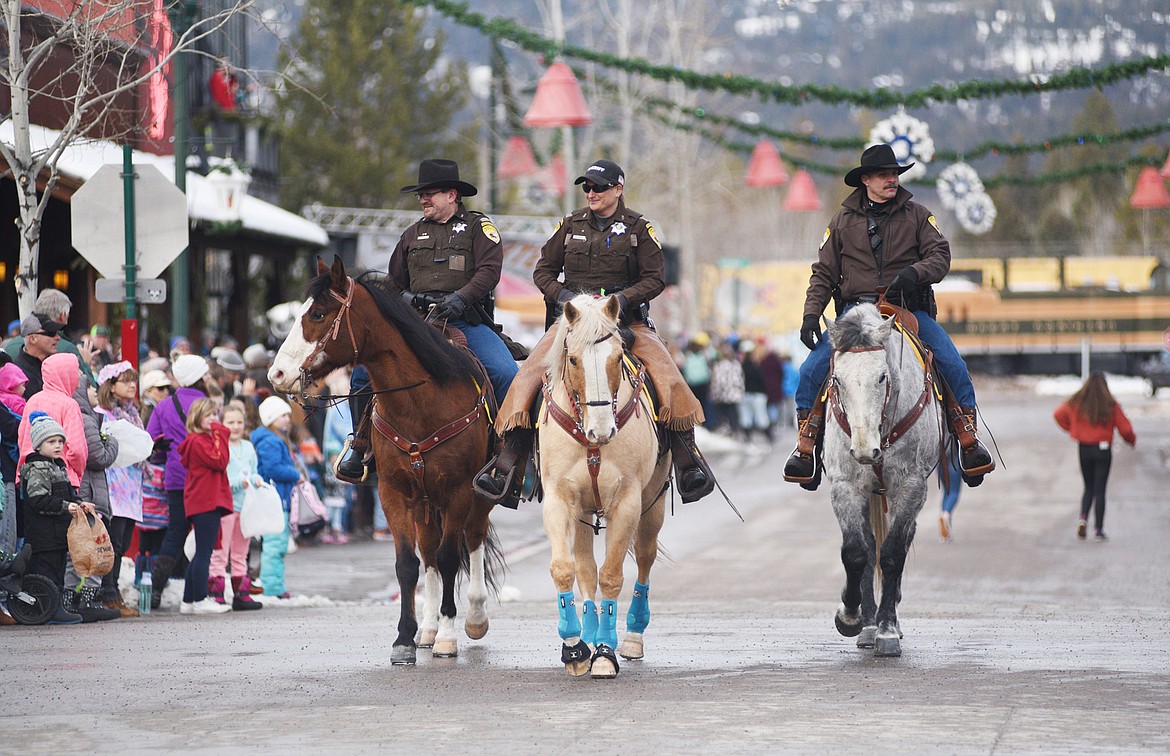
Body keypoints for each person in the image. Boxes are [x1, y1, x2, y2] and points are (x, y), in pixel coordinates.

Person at [477, 159, 716, 507]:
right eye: (586, 187)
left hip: (625, 321)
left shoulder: (639, 228)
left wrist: (621, 299)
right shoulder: (569, 225)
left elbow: (655, 278)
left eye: (598, 187)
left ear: (618, 189)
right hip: (573, 322)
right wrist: (564, 297)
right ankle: (509, 459)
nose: (591, 193)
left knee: (669, 375)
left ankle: (686, 459)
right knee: (527, 374)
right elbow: (543, 271)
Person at [783, 143, 995, 490]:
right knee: (811, 370)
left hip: (907, 309)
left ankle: (967, 437)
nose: (891, 179)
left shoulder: (917, 215)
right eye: (884, 175)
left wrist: (915, 273)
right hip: (855, 313)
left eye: (895, 173)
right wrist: (811, 315)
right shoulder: (841, 221)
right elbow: (823, 273)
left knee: (951, 361)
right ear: (865, 180)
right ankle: (806, 445)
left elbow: (940, 255)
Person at [334, 159, 519, 484]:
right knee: (363, 373)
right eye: (421, 194)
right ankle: (360, 445)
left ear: (452, 195)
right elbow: (394, 283)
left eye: (430, 193)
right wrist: (406, 301)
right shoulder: (411, 234)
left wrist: (461, 297)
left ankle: (508, 460)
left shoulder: (479, 228)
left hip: (466, 321)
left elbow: (489, 271)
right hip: (417, 325)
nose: (423, 199)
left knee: (507, 373)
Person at [145, 353, 220, 609]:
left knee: (175, 532)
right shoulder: (206, 406)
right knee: (203, 537)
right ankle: (197, 593)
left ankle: (156, 588)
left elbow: (151, 438)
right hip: (202, 479)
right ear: (200, 377)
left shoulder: (164, 405)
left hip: (175, 477)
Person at [19, 411, 93, 625]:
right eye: (51, 441)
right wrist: (66, 507)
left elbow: (69, 495)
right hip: (43, 536)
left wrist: (79, 504)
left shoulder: (58, 467)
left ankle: (56, 606)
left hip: (58, 534)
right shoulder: (36, 469)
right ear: (39, 445)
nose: (58, 445)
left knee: (58, 571)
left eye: (60, 441)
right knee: (46, 573)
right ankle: (48, 610)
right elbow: (38, 500)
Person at [64, 369, 121, 623]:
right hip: (90, 493)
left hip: (85, 490)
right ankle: (87, 601)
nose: (95, 392)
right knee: (92, 548)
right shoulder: (86, 418)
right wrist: (114, 443)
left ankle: (76, 600)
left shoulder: (83, 416)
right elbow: (98, 457)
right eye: (89, 387)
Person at [1053, 372, 1136, 541]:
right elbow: (1126, 429)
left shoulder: (1078, 401)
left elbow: (1058, 414)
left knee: (1088, 486)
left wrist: (1074, 429)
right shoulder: (1110, 404)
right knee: (1100, 490)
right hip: (1103, 450)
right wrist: (1131, 441)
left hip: (1084, 449)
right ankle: (1098, 529)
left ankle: (1083, 519)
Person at [96, 361, 147, 617]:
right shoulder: (102, 413)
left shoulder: (134, 414)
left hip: (132, 486)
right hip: (113, 486)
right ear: (111, 386)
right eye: (125, 380)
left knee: (124, 541)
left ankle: (112, 593)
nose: (132, 385)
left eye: (133, 380)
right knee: (112, 542)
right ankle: (108, 594)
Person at [176, 398, 233, 614]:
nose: (213, 419)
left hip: (202, 501)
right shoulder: (200, 441)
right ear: (197, 417)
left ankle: (189, 600)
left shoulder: (198, 440)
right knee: (203, 553)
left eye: (214, 415)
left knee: (201, 552)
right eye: (207, 415)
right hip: (206, 501)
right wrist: (220, 432)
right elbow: (220, 460)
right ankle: (200, 599)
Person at [210, 401, 263, 609]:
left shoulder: (248, 447)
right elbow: (220, 475)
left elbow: (254, 469)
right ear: (223, 423)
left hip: (245, 506)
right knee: (221, 552)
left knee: (241, 551)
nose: (235, 426)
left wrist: (257, 479)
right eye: (230, 422)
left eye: (239, 422)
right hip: (226, 505)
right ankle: (216, 592)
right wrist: (235, 483)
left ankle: (241, 593)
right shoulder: (220, 445)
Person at [252, 396, 300, 599]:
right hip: (275, 498)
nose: (287, 419)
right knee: (275, 545)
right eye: (282, 416)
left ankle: (275, 585)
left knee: (277, 544)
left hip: (277, 498)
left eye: (288, 415)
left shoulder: (271, 438)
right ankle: (272, 588)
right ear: (270, 418)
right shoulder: (270, 440)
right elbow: (273, 469)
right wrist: (296, 474)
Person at [10, 313, 62, 398]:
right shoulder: (17, 373)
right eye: (51, 333)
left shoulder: (56, 367)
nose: (58, 337)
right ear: (33, 338)